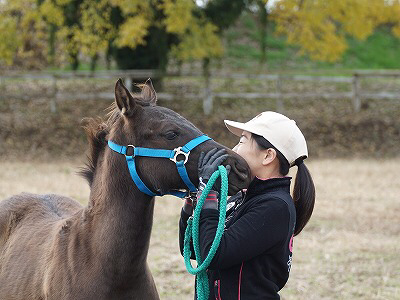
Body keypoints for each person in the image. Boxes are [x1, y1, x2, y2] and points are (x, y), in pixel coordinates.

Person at [179, 111, 316, 300]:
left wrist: (208, 195)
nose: (234, 149)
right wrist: (194, 202)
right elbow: (195, 250)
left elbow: (215, 254)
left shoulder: (276, 206)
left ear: (268, 156)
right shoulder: (242, 197)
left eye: (242, 141)